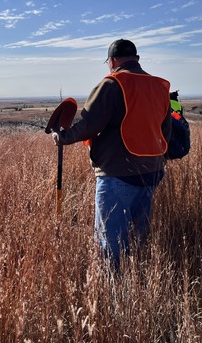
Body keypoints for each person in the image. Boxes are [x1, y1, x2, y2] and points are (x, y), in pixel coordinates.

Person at [51, 39, 172, 268]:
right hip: (152, 173)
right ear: (136, 58)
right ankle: (137, 283)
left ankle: (114, 294)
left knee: (111, 244)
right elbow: (165, 131)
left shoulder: (112, 84)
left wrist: (62, 137)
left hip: (118, 174)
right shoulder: (159, 87)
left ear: (113, 61)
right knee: (138, 238)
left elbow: (90, 124)